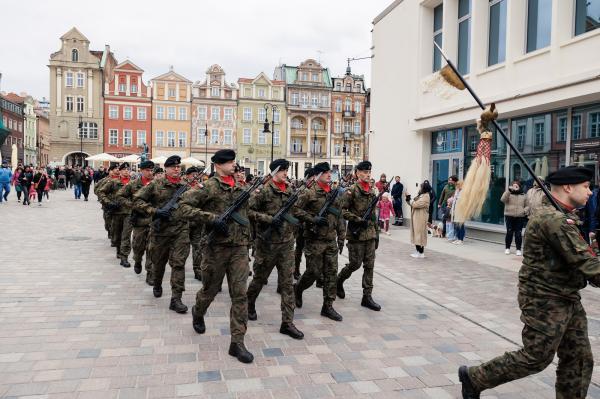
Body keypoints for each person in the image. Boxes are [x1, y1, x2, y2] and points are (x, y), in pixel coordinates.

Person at [459, 166, 599, 399]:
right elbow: (591, 268)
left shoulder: (560, 215)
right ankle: (475, 378)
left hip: (566, 296)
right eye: (586, 187)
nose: (591, 192)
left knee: (579, 357)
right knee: (536, 357)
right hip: (545, 299)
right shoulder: (554, 220)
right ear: (568, 187)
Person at [179, 149, 254, 363]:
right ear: (217, 165)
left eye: (233, 162)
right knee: (209, 290)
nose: (233, 165)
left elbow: (249, 214)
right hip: (216, 248)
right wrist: (211, 218)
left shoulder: (241, 186)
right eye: (229, 162)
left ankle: (237, 343)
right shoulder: (208, 187)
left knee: (240, 294)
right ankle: (198, 311)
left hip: (239, 248)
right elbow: (183, 207)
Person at [246, 159, 304, 340]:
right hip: (267, 244)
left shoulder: (289, 191)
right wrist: (268, 219)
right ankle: (249, 302)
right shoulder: (263, 191)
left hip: (287, 244)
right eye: (282, 170)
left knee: (287, 285)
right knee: (259, 279)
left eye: (286, 170)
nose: (285, 173)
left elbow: (295, 212)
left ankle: (287, 323)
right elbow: (248, 212)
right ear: (274, 172)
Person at [134, 156, 190, 314]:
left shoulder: (185, 186)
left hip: (181, 230)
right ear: (166, 168)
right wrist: (155, 211)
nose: (176, 169)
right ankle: (157, 283)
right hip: (161, 232)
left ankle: (176, 299)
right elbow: (137, 200)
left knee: (178, 264)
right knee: (158, 263)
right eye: (173, 167)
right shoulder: (155, 184)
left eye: (179, 167)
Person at [294, 162, 346, 322]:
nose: (329, 175)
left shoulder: (333, 194)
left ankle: (328, 306)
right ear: (317, 175)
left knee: (331, 273)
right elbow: (295, 210)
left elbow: (339, 215)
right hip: (314, 239)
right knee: (313, 272)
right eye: (325, 173)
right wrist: (312, 219)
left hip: (330, 240)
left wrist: (342, 236)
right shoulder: (309, 193)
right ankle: (298, 289)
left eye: (329, 172)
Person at [337, 160, 381, 311]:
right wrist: (357, 219)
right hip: (356, 235)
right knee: (355, 264)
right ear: (357, 173)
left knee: (370, 265)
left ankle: (367, 296)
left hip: (370, 234)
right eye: (364, 172)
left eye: (369, 172)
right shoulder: (351, 191)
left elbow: (374, 215)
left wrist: (377, 233)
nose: (367, 175)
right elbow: (342, 211)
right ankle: (339, 280)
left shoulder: (372, 191)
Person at [117, 160, 155, 282]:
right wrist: (132, 205)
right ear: (141, 171)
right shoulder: (133, 184)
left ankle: (150, 274)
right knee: (138, 247)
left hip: (154, 220)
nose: (150, 172)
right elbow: (120, 196)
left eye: (151, 170)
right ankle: (137, 260)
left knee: (152, 248)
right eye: (147, 170)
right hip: (139, 220)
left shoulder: (157, 184)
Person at [98, 163, 133, 268]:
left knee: (126, 235)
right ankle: (118, 249)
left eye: (128, 169)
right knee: (116, 235)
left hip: (129, 213)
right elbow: (101, 192)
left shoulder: (133, 183)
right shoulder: (113, 182)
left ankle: (124, 257)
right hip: (116, 212)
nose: (126, 171)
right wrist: (108, 203)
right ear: (120, 171)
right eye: (124, 170)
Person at [294, 168, 314, 280]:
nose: (313, 180)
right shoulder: (302, 190)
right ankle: (296, 269)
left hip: (310, 224)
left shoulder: (313, 190)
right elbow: (297, 209)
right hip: (301, 224)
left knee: (309, 249)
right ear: (307, 178)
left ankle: (309, 272)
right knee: (299, 248)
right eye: (311, 178)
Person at [501, 180, 528, 256]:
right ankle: (507, 248)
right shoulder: (508, 193)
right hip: (509, 215)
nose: (515, 187)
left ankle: (518, 249)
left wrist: (524, 211)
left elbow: (528, 206)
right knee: (509, 232)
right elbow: (502, 200)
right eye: (514, 185)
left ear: (519, 187)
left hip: (519, 216)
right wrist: (509, 191)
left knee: (518, 233)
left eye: (517, 186)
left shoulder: (523, 195)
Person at [408, 181, 432, 258]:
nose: (420, 188)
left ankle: (421, 253)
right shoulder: (421, 195)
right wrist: (408, 198)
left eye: (421, 187)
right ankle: (418, 251)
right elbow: (412, 203)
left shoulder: (426, 197)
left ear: (424, 188)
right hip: (416, 218)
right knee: (416, 234)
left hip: (420, 219)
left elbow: (415, 204)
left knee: (419, 235)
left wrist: (410, 200)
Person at [95, 165, 118, 241]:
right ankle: (110, 231)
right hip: (107, 205)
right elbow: (97, 190)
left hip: (118, 205)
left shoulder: (119, 180)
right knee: (108, 222)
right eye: (113, 169)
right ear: (109, 171)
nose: (115, 171)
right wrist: (102, 199)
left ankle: (115, 235)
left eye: (117, 169)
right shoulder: (104, 180)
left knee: (116, 222)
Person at [451, 180, 466, 245]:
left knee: (461, 225)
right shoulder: (457, 191)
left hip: (461, 210)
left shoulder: (464, 192)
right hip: (456, 209)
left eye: (457, 185)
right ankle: (457, 238)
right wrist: (452, 210)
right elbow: (454, 201)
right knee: (456, 225)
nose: (456, 186)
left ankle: (461, 239)